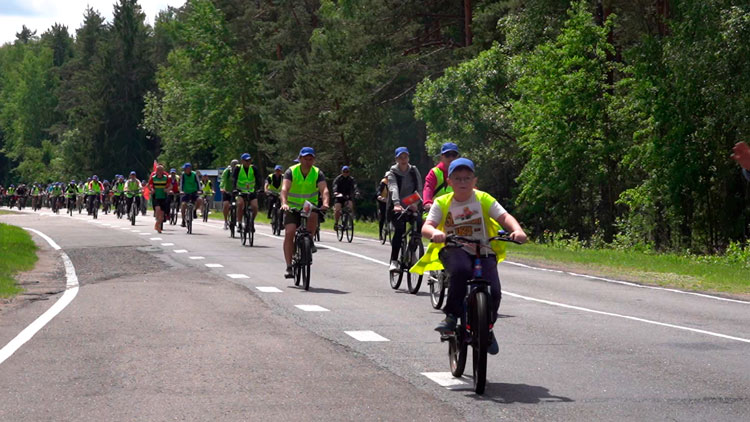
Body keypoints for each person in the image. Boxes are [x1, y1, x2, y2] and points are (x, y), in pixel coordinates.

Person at [411, 158, 527, 355]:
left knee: (495, 291)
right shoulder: (442, 202)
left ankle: (487, 329)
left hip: (483, 248)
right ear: (450, 182)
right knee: (461, 271)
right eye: (458, 178)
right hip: (455, 247)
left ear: (475, 181)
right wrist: (435, 233)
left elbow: (504, 217)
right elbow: (427, 226)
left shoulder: (483, 199)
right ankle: (451, 317)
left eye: (467, 178)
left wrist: (517, 230)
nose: (463, 182)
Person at [280, 147, 330, 278]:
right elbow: (284, 189)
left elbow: (324, 189)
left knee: (313, 215)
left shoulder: (317, 173)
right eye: (305, 159)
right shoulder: (291, 171)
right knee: (290, 232)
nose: (308, 161)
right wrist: (284, 203)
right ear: (300, 159)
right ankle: (289, 266)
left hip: (309, 206)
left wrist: (325, 203)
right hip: (292, 206)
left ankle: (309, 240)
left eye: (311, 159)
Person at [387, 147, 423, 272]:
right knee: (400, 229)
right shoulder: (392, 173)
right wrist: (397, 204)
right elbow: (393, 188)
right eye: (400, 158)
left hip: (411, 203)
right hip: (396, 206)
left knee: (419, 223)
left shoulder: (413, 170)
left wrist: (415, 203)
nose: (403, 160)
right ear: (396, 159)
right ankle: (394, 260)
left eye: (405, 157)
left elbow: (419, 188)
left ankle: (412, 252)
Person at [423, 142, 460, 212]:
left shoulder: (462, 171)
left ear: (457, 157)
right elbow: (428, 188)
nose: (451, 158)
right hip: (437, 210)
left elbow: (470, 187)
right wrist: (427, 202)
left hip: (457, 210)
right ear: (441, 157)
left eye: (454, 155)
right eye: (447, 155)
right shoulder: (435, 172)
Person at [232, 153, 261, 233]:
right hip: (240, 191)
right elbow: (234, 179)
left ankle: (251, 222)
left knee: (255, 207)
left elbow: (258, 178)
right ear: (242, 161)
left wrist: (260, 188)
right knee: (240, 204)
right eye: (246, 160)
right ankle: (240, 223)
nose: (248, 162)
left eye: (249, 160)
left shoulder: (254, 168)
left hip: (251, 191)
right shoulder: (238, 168)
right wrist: (234, 189)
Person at [332, 166, 360, 230]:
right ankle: (336, 223)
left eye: (347, 172)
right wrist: (335, 192)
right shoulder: (338, 179)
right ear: (341, 172)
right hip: (339, 196)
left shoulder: (351, 179)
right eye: (344, 171)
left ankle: (350, 221)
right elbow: (335, 185)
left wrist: (357, 192)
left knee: (350, 206)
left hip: (347, 196)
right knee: (337, 209)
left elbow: (355, 186)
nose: (345, 173)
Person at [148, 165, 170, 233]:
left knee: (162, 215)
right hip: (156, 196)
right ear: (156, 171)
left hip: (163, 197)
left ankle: (157, 224)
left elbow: (170, 185)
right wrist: (152, 190)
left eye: (161, 170)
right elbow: (149, 185)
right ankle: (158, 225)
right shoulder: (153, 178)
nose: (159, 172)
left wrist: (167, 189)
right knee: (158, 210)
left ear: (163, 171)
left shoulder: (166, 178)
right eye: (158, 170)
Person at [220, 159, 239, 229]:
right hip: (227, 191)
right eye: (233, 165)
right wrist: (222, 188)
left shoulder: (240, 171)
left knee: (239, 205)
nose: (234, 166)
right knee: (226, 205)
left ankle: (237, 220)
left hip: (236, 191)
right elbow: (223, 180)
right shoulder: (227, 171)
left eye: (236, 164)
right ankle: (225, 221)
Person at [376, 172, 389, 240]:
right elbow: (379, 190)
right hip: (383, 201)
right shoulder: (383, 183)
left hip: (391, 201)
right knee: (383, 217)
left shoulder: (394, 183)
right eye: (387, 177)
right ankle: (380, 233)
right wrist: (379, 196)